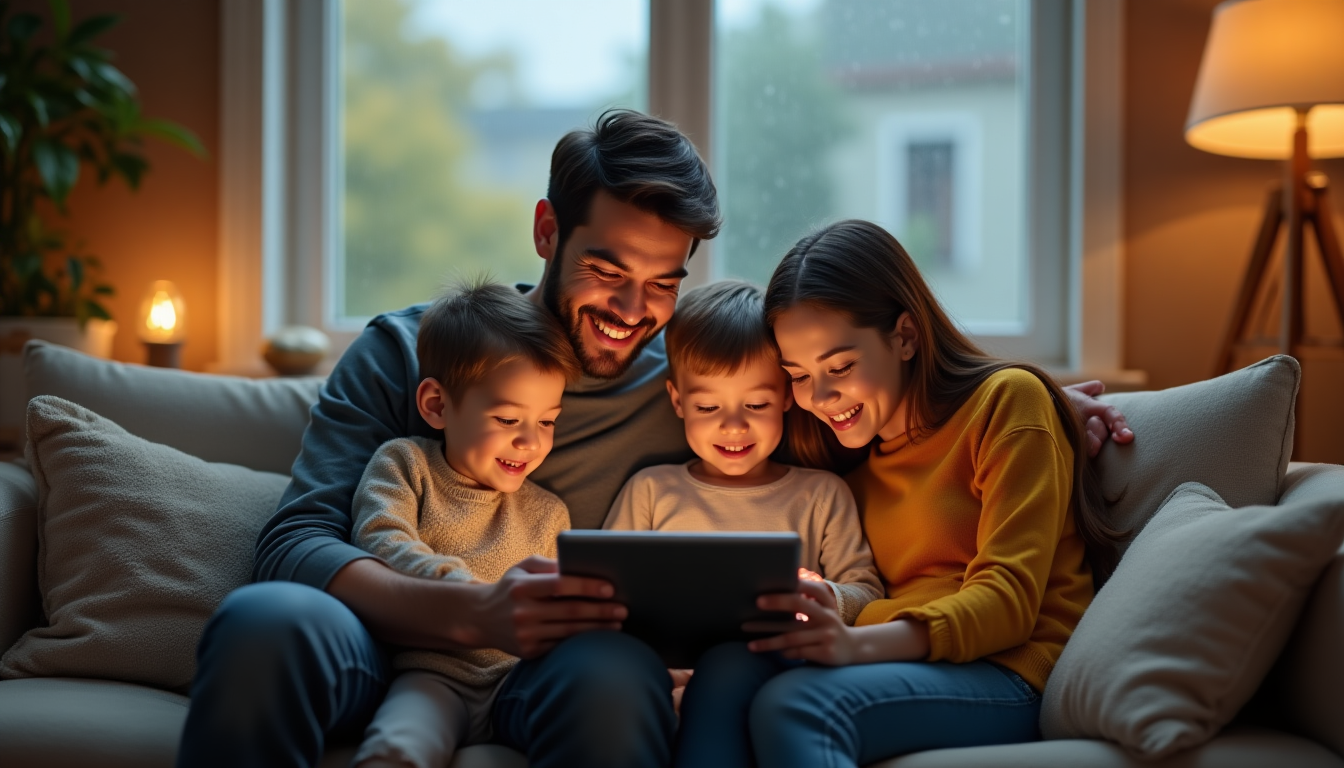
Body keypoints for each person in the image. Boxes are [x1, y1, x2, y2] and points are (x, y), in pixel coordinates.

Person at [177, 109, 1132, 768]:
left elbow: (851, 359)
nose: (634, 310)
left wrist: (1042, 399)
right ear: (548, 231)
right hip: (378, 636)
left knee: (614, 676)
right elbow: (295, 543)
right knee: (264, 621)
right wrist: (470, 617)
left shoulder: (683, 381)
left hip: (543, 668)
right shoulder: (406, 349)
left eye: (665, 281)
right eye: (607, 268)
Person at [741, 219, 1122, 768]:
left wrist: (853, 644)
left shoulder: (1007, 402)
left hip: (1011, 668)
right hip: (910, 659)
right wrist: (830, 608)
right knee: (732, 674)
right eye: (798, 374)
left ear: (905, 335)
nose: (820, 397)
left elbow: (1008, 605)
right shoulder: (850, 474)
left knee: (799, 705)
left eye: (840, 366)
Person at [602, 280, 883, 768]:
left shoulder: (820, 495)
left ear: (787, 397)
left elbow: (866, 593)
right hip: (668, 681)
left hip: (781, 673)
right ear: (677, 400)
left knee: (733, 670)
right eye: (709, 407)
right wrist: (658, 672)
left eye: (756, 405)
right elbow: (607, 594)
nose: (734, 426)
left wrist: (827, 596)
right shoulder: (651, 491)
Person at [347, 282, 580, 768]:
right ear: (436, 406)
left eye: (547, 422)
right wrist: (474, 596)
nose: (529, 443)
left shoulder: (548, 511)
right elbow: (379, 541)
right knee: (399, 747)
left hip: (522, 680)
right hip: (435, 676)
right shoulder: (405, 465)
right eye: (507, 418)